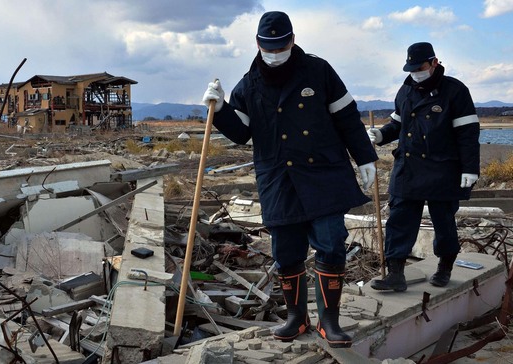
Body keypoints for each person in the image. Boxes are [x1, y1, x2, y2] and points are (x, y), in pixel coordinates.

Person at [202, 11, 378, 348]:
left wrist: (366, 157)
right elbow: (240, 134)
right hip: (278, 179)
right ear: (257, 44)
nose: (275, 51)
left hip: (323, 174)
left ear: (293, 40)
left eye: (281, 45)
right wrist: (220, 107)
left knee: (330, 242)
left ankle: (330, 322)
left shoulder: (319, 71)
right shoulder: (249, 84)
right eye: (269, 46)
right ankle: (296, 318)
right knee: (286, 250)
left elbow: (347, 117)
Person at [367, 42, 480, 292]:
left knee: (444, 222)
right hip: (408, 167)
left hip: (443, 168)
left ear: (434, 63)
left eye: (420, 67)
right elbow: (397, 123)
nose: (415, 72)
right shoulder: (405, 90)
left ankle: (445, 266)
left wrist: (470, 169)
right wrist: (381, 135)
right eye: (411, 68)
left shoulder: (455, 91)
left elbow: (468, 134)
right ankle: (395, 273)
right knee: (399, 218)